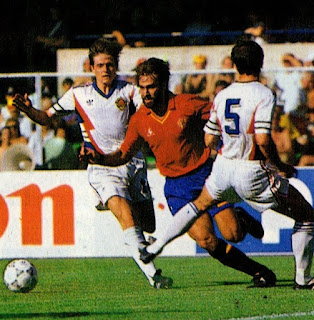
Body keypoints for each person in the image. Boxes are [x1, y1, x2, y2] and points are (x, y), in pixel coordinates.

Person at [133, 41, 314, 290]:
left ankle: (155, 246)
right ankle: (303, 280)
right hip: (249, 170)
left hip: (220, 170)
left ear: (235, 65)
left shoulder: (222, 95)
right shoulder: (263, 93)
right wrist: (279, 165)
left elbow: (209, 139)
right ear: (260, 64)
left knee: (213, 218)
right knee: (306, 216)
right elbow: (262, 138)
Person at [87, 57, 278, 287]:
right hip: (177, 187)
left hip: (206, 175)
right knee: (207, 241)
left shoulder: (187, 104)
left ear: (164, 83)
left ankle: (241, 219)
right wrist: (100, 158)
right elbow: (123, 154)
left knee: (233, 234)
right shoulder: (139, 119)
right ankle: (259, 272)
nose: (146, 93)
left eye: (151, 87)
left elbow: (220, 115)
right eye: (142, 87)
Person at [13, 38, 172, 289]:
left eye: (109, 64)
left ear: (115, 66)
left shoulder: (128, 91)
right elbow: (46, 119)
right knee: (127, 219)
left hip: (133, 163)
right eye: (100, 65)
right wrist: (28, 110)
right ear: (92, 67)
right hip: (101, 168)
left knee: (148, 223)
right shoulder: (78, 94)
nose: (105, 70)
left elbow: (149, 114)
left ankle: (118, 215)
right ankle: (155, 276)